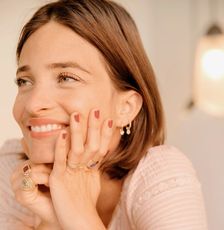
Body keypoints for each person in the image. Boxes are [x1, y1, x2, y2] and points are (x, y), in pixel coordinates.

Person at [0, 0, 208, 229]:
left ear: (125, 107)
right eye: (24, 81)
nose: (32, 104)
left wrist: (77, 216)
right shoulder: (11, 170)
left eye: (66, 78)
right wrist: (53, 222)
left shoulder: (162, 176)